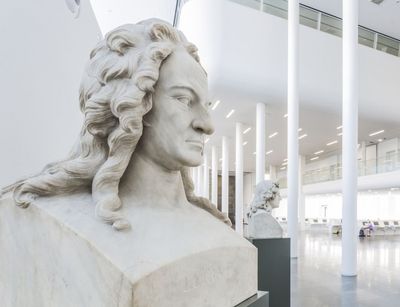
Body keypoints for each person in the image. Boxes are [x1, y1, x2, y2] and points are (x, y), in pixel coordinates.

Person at [2, 19, 231, 230]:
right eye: (183, 99)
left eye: (207, 105)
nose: (208, 125)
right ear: (131, 105)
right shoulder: (42, 219)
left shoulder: (216, 229)